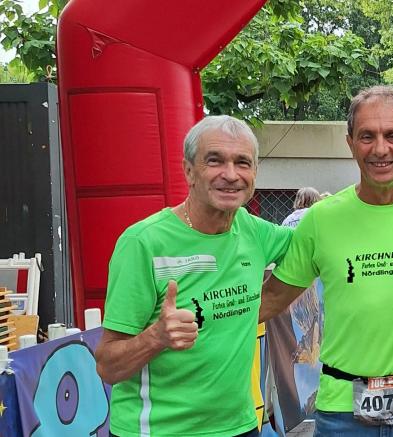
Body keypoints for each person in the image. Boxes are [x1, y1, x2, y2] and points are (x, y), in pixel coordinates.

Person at [259, 85, 393, 436]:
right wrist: (186, 327)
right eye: (366, 136)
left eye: (392, 135)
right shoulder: (320, 220)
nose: (380, 149)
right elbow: (270, 300)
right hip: (343, 413)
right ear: (350, 143)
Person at [96, 115, 293, 437]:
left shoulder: (254, 232)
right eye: (214, 161)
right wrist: (156, 337)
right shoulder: (143, 243)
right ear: (189, 170)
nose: (230, 175)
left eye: (242, 163)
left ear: (254, 173)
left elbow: (312, 250)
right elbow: (107, 366)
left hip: (239, 427)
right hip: (158, 432)